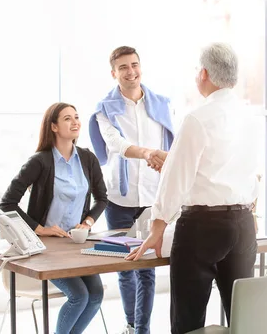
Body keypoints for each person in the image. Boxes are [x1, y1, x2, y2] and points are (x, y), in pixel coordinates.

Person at [129, 43, 261, 334]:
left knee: (187, 321)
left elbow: (177, 178)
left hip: (202, 227)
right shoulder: (250, 118)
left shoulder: (198, 118)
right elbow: (244, 173)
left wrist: (157, 226)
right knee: (244, 321)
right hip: (241, 223)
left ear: (204, 73)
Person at [0, 102, 109, 334]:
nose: (75, 122)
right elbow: (7, 203)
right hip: (46, 249)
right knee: (79, 296)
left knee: (96, 295)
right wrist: (39, 228)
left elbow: (102, 199)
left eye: (76, 117)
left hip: (76, 246)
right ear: (54, 127)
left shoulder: (88, 159)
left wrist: (88, 222)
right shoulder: (40, 161)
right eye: (67, 118)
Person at [88, 46, 175, 334]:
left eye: (134, 64)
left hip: (153, 197)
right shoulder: (105, 109)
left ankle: (142, 330)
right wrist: (149, 153)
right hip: (119, 199)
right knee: (125, 268)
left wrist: (162, 159)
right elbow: (116, 145)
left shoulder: (161, 105)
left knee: (146, 268)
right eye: (123, 67)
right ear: (114, 73)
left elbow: (172, 145)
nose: (131, 71)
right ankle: (130, 323)